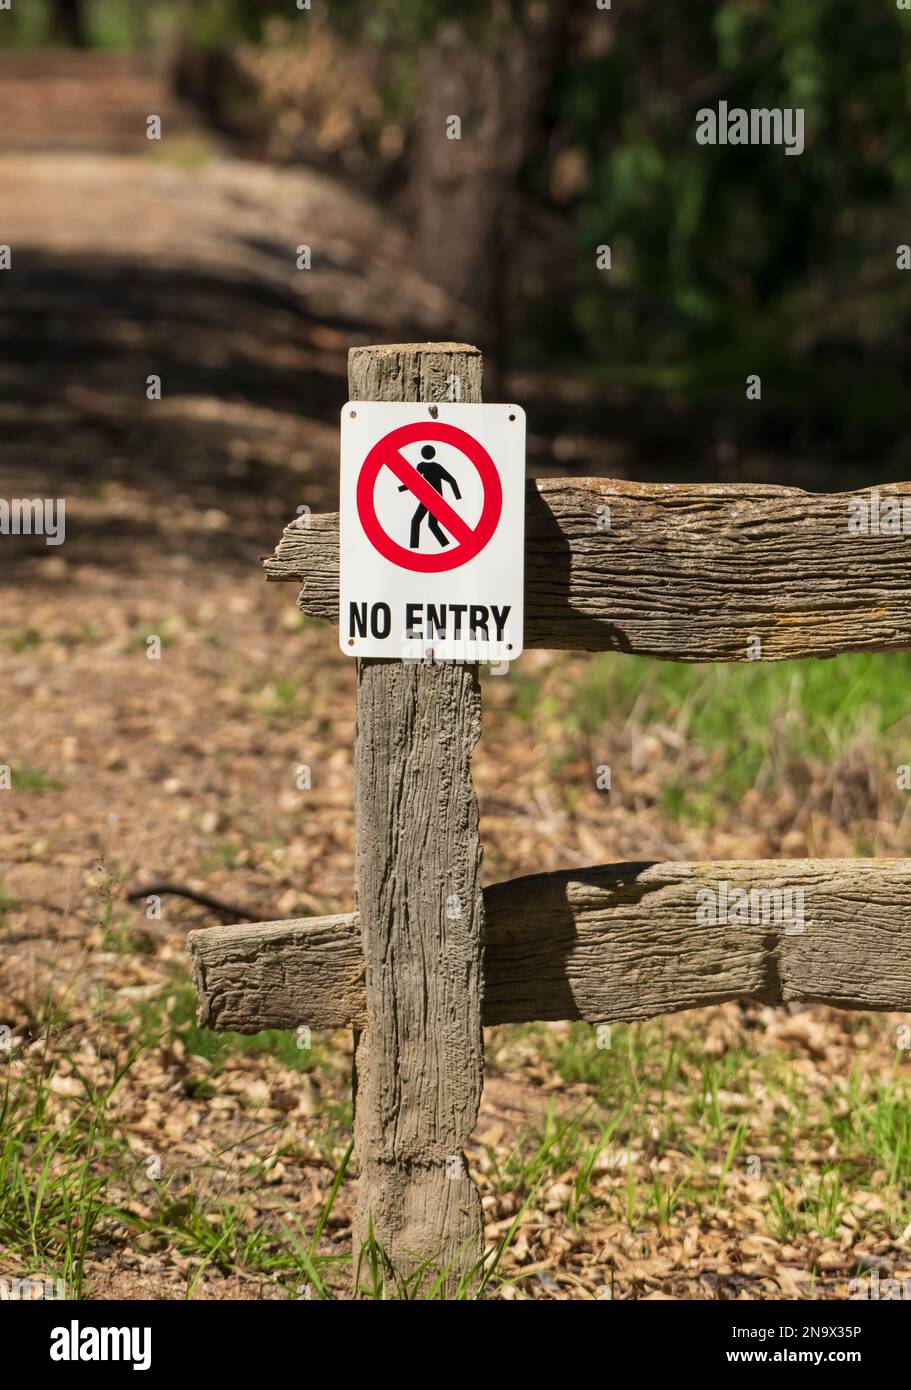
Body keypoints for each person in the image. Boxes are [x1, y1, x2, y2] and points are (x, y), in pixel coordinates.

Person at [398, 445, 461, 548]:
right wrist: (457, 497)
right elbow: (452, 480)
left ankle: (414, 547)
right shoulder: (437, 467)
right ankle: (446, 545)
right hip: (436, 499)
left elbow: (413, 481)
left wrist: (401, 489)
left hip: (428, 498)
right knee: (432, 525)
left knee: (416, 521)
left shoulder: (421, 466)